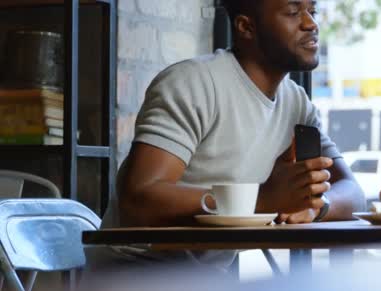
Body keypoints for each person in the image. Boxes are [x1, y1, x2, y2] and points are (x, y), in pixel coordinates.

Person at [90, 0, 365, 272]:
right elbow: (139, 199)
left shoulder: (296, 103)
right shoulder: (193, 82)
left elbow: (353, 194)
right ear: (246, 27)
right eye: (293, 12)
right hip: (131, 276)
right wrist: (261, 201)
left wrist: (315, 207)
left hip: (206, 285)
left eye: (312, 11)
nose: (311, 23)